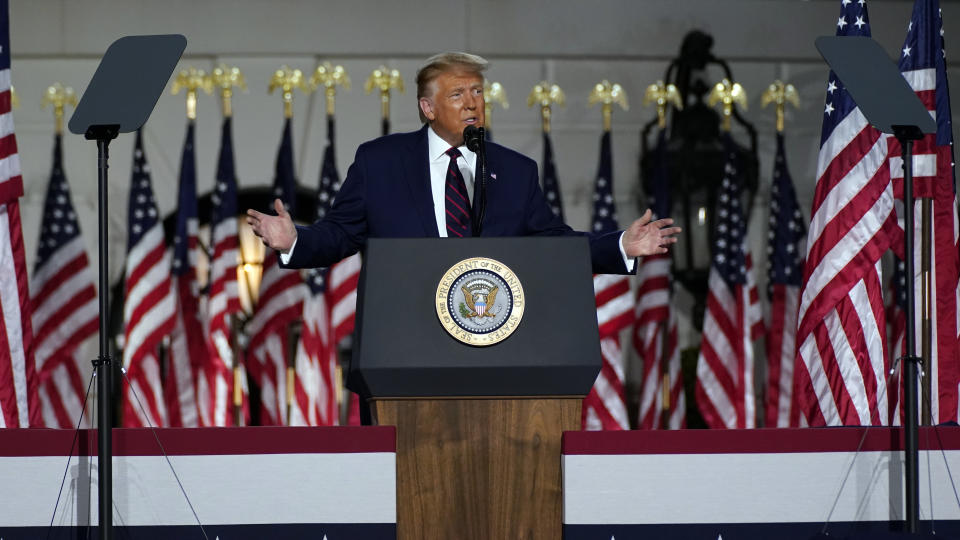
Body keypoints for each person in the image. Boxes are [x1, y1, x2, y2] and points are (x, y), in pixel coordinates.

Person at [247, 51, 681, 275]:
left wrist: (619, 246)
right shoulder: (380, 163)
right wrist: (293, 241)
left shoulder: (515, 171)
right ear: (427, 107)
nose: (473, 103)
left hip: (493, 341)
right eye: (458, 95)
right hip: (403, 344)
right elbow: (340, 235)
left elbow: (554, 243)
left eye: (478, 93)